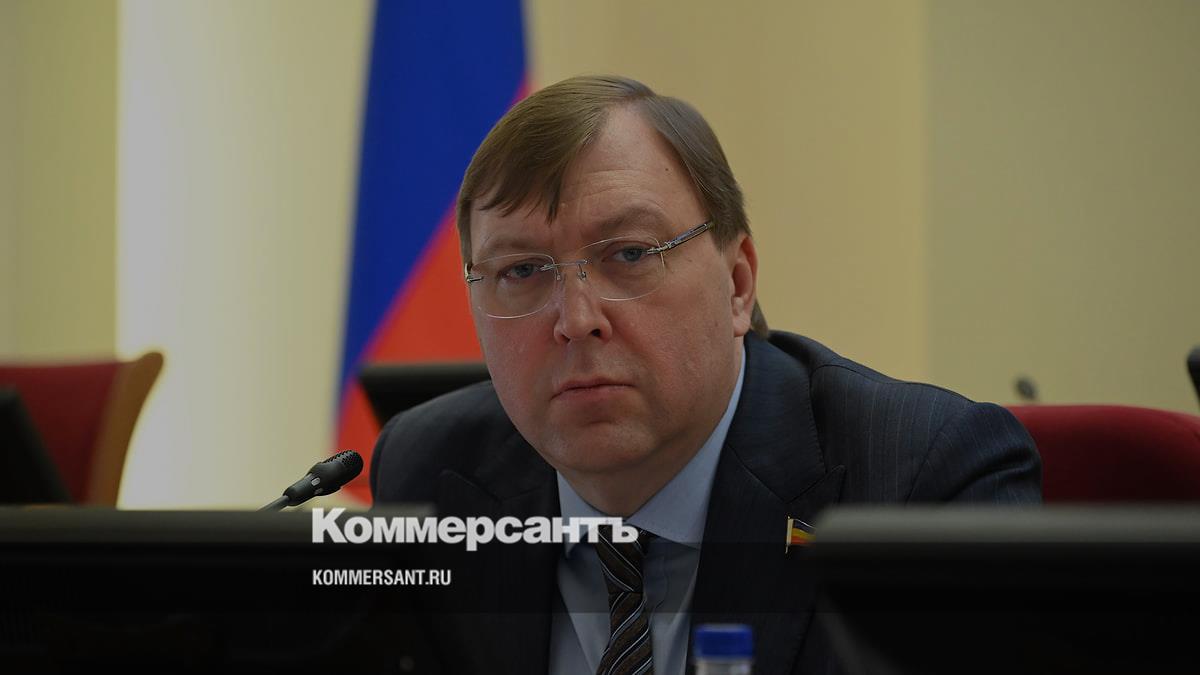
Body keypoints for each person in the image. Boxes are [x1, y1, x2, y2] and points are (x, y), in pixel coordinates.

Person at [371, 74, 1041, 675]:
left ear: (738, 284)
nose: (576, 319)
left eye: (630, 254)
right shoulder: (430, 474)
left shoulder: (920, 479)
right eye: (521, 270)